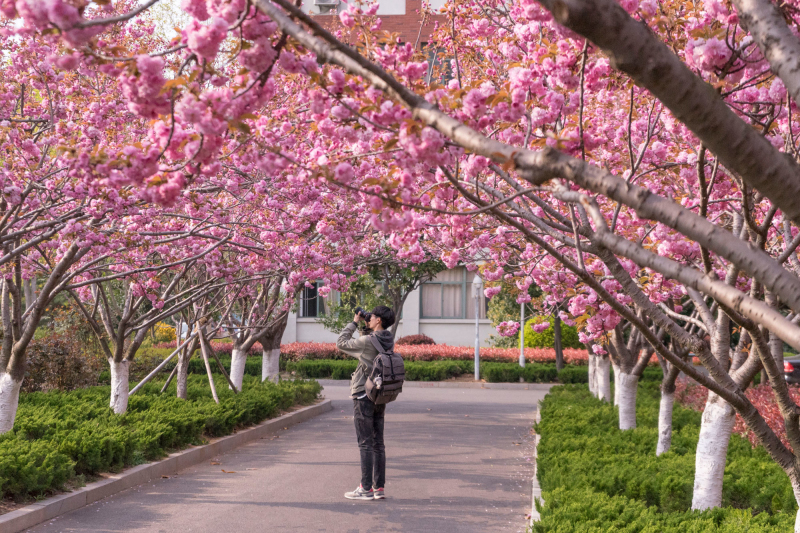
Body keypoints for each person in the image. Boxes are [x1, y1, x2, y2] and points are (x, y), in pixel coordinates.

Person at [336, 305, 395, 501]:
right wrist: (366, 324)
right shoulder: (388, 339)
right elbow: (371, 345)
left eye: (372, 317)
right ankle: (379, 488)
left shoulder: (367, 341)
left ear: (378, 320)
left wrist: (355, 322)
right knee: (378, 443)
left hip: (363, 393)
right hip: (380, 395)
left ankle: (365, 488)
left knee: (365, 443)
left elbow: (341, 342)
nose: (369, 319)